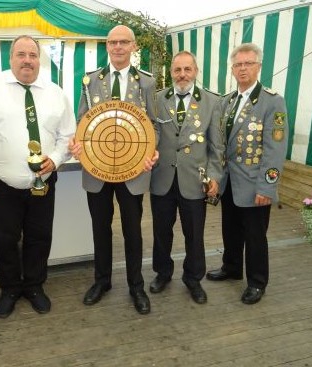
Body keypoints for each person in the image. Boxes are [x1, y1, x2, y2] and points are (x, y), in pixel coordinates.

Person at [0, 35, 76, 319]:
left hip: (44, 182)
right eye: (21, 54)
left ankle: (35, 286)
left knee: (40, 236)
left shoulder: (55, 92)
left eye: (33, 55)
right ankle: (10, 288)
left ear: (40, 59)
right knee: (4, 238)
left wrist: (58, 158)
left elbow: (67, 135)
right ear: (11, 58)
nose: (27, 60)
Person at [69, 25, 158, 315]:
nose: (118, 47)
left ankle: (136, 286)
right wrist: (78, 145)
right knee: (100, 228)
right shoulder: (89, 80)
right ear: (107, 46)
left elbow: (153, 125)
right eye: (112, 42)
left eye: (124, 42)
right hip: (96, 168)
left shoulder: (146, 82)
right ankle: (102, 281)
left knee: (133, 230)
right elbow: (82, 120)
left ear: (134, 47)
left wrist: (151, 152)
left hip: (133, 170)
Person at [206, 43, 288, 305]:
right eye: (238, 65)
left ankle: (257, 281)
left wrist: (267, 187)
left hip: (254, 184)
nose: (243, 69)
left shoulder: (272, 101)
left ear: (258, 66)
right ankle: (231, 267)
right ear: (232, 69)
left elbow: (275, 149)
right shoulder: (227, 100)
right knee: (230, 229)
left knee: (255, 236)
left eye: (248, 64)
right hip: (230, 181)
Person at [149, 51, 224, 304]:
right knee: (161, 231)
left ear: (196, 71)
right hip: (162, 178)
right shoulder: (157, 99)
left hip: (194, 180)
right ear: (171, 72)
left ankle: (193, 279)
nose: (182, 75)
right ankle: (162, 272)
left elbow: (217, 146)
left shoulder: (212, 102)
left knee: (194, 234)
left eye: (187, 70)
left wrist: (214, 176)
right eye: (177, 70)